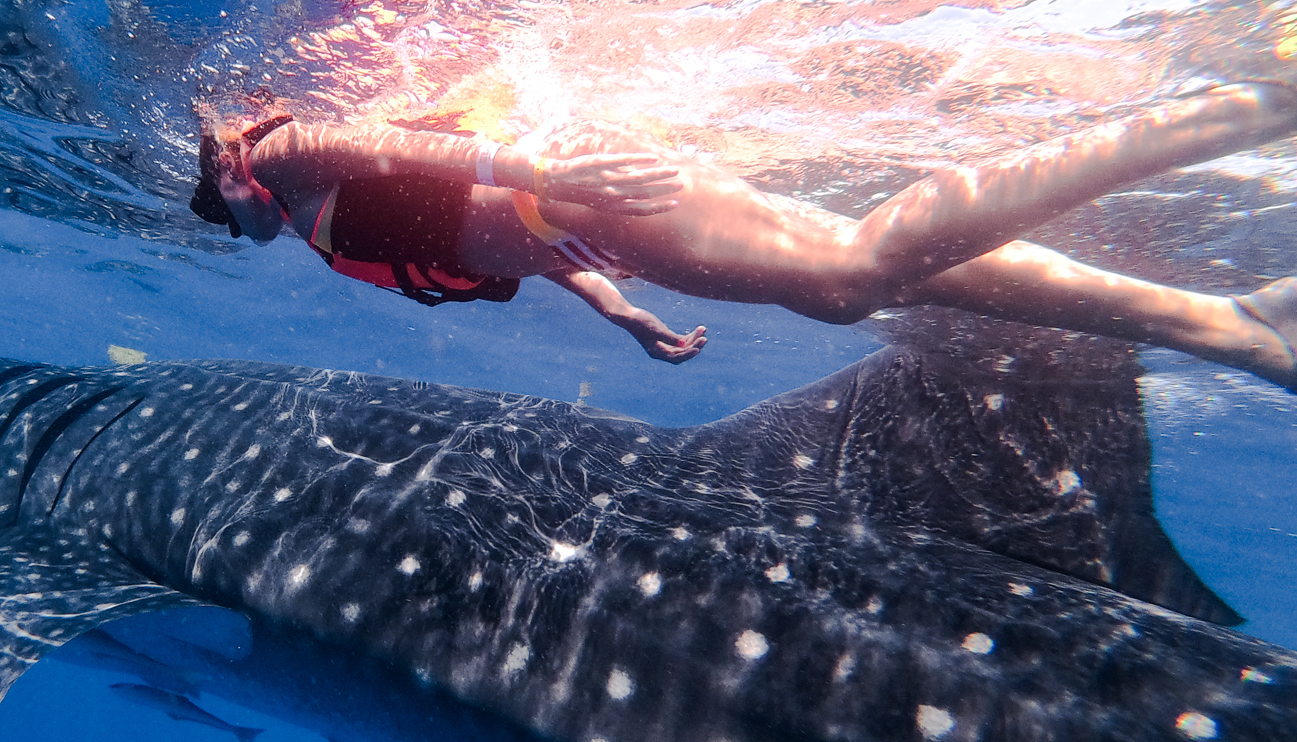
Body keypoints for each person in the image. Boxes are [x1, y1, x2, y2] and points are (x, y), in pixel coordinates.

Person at [191, 82, 1297, 387]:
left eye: (214, 207)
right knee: (854, 283)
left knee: (857, 270)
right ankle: (1227, 321)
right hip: (584, 231)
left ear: (222, 171)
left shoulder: (277, 158)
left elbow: (390, 137)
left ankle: (1224, 113)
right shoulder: (313, 228)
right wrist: (623, 313)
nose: (230, 225)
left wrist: (536, 167)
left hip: (570, 189)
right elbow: (477, 245)